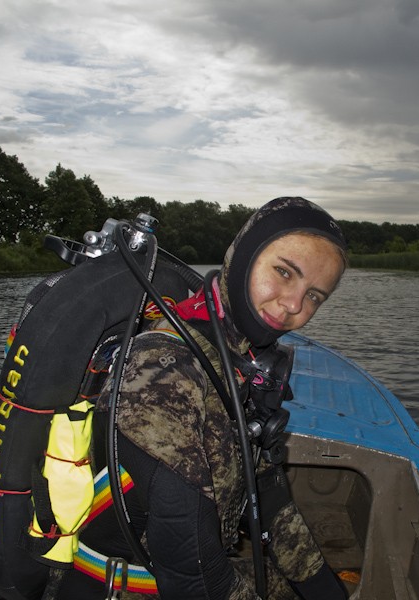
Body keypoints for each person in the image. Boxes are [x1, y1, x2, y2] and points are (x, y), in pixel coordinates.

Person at [59, 197, 349, 600]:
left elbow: (267, 497)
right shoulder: (164, 370)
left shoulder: (236, 358)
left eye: (315, 295)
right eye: (283, 272)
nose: (293, 305)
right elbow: (193, 574)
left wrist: (327, 592)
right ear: (244, 257)